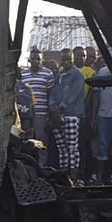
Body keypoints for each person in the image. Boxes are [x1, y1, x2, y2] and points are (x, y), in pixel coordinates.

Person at [50, 47, 86, 182]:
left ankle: (73, 177)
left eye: (68, 60)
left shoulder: (78, 75)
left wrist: (59, 108)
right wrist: (52, 106)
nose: (65, 62)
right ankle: (64, 177)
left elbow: (73, 95)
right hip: (57, 115)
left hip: (71, 115)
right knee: (62, 148)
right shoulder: (59, 76)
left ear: (72, 59)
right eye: (63, 60)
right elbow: (53, 92)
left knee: (72, 148)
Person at [19, 48, 53, 142]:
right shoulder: (23, 74)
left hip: (41, 115)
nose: (36, 61)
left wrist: (49, 115)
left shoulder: (48, 74)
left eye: (38, 59)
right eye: (33, 59)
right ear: (29, 60)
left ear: (42, 60)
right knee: (27, 142)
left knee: (41, 142)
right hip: (26, 115)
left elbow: (51, 95)